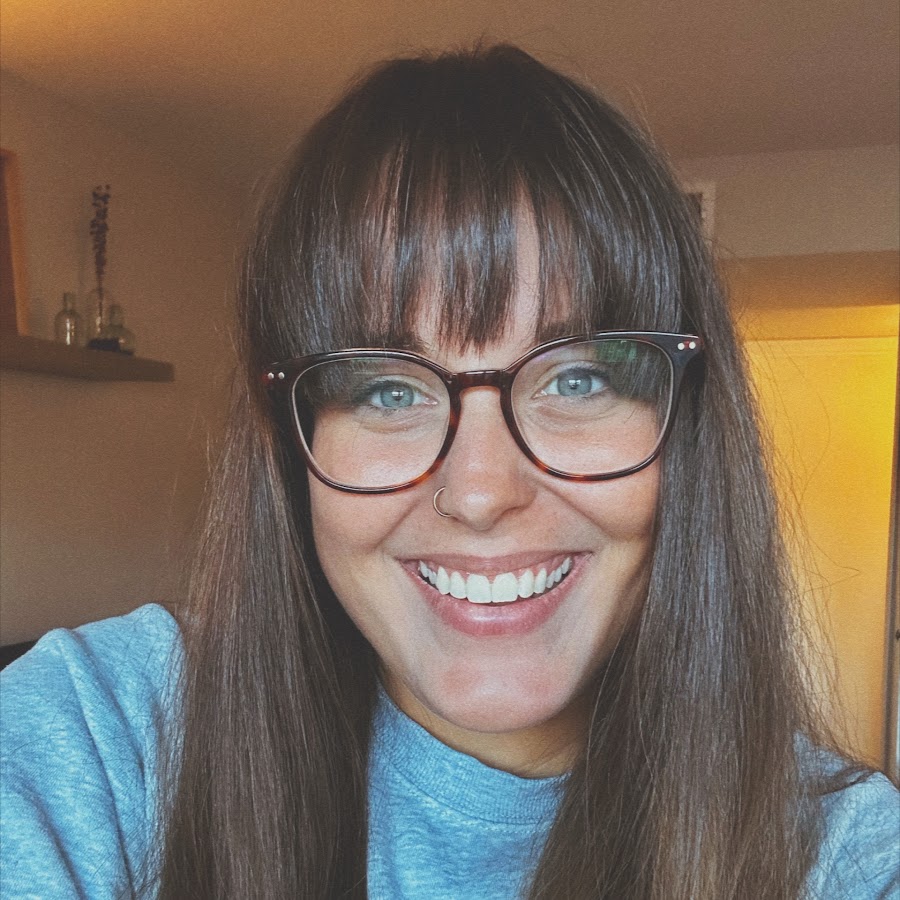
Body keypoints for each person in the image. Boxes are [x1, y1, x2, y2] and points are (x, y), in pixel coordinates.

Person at [1, 45, 897, 900]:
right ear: (288, 447)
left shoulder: (843, 856)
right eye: (388, 390)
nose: (478, 492)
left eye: (577, 379)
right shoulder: (104, 736)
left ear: (687, 429)